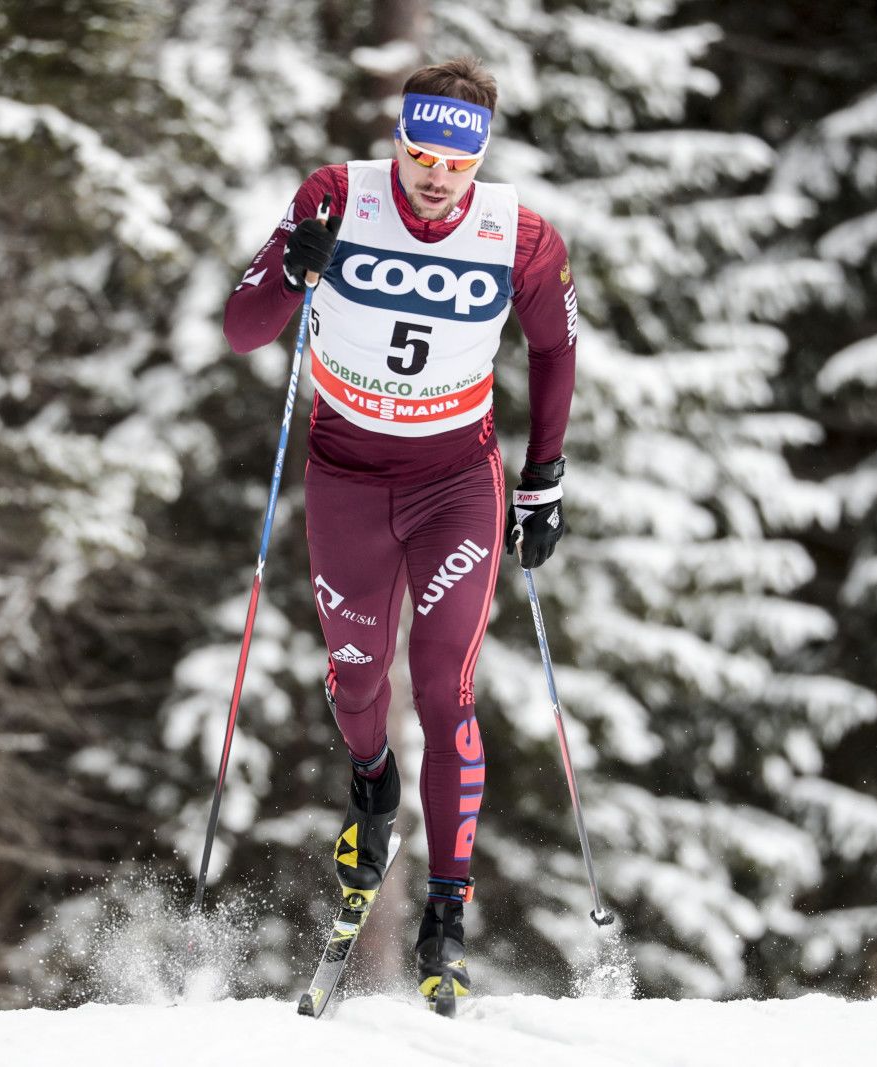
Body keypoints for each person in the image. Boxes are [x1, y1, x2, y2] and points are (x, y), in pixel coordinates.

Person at [223, 55, 577, 1010]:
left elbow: (555, 346)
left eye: (454, 162)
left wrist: (543, 477)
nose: (433, 175)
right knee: (356, 683)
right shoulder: (336, 199)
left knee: (443, 687)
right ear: (400, 143)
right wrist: (295, 269)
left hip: (456, 482)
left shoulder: (522, 237)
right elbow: (242, 328)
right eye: (419, 152)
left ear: (480, 159)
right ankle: (371, 787)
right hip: (345, 481)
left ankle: (446, 918)